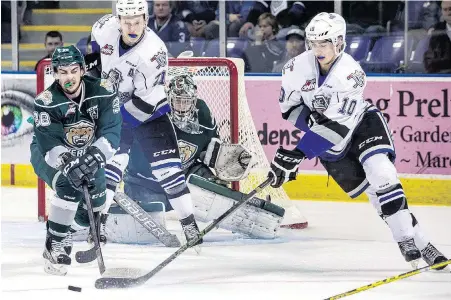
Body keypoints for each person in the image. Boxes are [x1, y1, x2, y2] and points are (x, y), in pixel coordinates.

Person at [268, 12, 448, 269]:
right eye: (314, 43)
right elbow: (289, 109)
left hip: (361, 125)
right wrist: (308, 128)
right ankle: (425, 245)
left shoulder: (351, 73)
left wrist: (299, 152)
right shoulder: (294, 68)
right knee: (377, 196)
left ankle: (405, 239)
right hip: (329, 145)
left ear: (339, 42)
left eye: (325, 43)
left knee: (382, 174)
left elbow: (339, 127)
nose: (318, 49)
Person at [107, 74, 286, 243]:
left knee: (214, 189)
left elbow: (209, 151)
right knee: (148, 219)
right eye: (177, 101)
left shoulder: (203, 113)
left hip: (184, 176)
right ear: (167, 98)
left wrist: (226, 161)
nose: (181, 106)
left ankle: (246, 215)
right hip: (144, 182)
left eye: (186, 102)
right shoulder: (150, 113)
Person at [90, 0, 203, 246]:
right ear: (118, 20)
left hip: (149, 113)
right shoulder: (105, 27)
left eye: (137, 22)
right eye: (127, 22)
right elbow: (93, 47)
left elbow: (145, 102)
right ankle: (99, 223)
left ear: (146, 19)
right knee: (111, 166)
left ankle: (189, 225)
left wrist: (115, 125)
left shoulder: (154, 52)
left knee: (169, 172)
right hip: (116, 108)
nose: (132, 27)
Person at [30, 45, 121, 276]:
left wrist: (94, 158)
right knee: (67, 183)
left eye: (73, 70)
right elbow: (49, 145)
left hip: (89, 151)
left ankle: (86, 224)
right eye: (63, 72)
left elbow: (111, 131)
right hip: (48, 154)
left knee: (97, 184)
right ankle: (55, 244)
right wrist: (69, 162)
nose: (68, 77)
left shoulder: (103, 90)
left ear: (82, 69)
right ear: (55, 73)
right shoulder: (46, 101)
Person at [424, 0, 451, 74]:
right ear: (442, 12)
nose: (449, 13)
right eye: (445, 10)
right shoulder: (436, 32)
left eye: (450, 9)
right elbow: (429, 60)